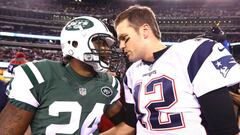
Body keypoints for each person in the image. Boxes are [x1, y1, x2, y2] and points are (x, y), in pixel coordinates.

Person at [101, 5, 240, 135]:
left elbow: (225, 129)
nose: (121, 46)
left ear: (145, 31)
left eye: (125, 38)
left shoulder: (192, 54)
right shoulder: (131, 74)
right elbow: (131, 123)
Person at [0, 16, 126, 135]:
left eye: (107, 45)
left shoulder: (109, 83)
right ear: (76, 43)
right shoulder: (41, 74)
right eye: (101, 43)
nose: (107, 50)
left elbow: (127, 125)